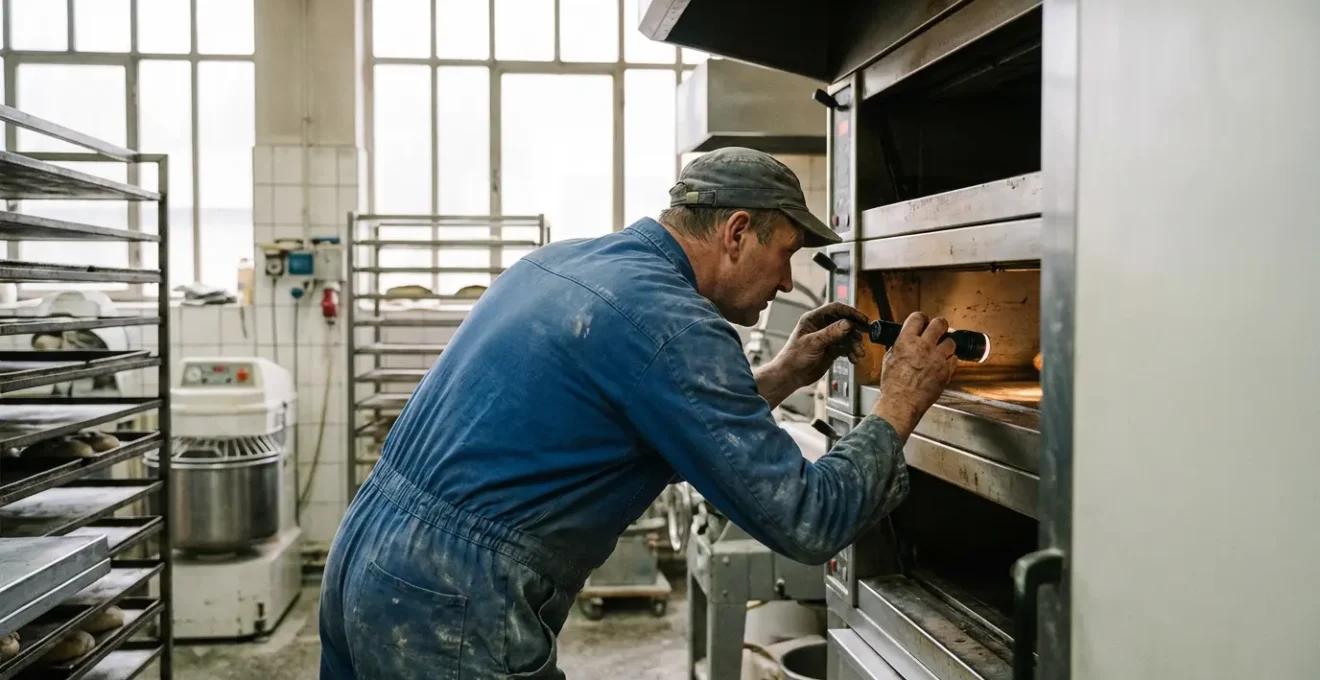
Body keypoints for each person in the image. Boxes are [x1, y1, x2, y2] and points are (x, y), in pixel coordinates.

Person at [319, 147, 960, 679]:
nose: (788, 283)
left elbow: (656, 415)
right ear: (737, 232)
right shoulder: (677, 325)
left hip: (365, 557)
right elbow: (806, 520)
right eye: (786, 254)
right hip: (452, 602)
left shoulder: (561, 261)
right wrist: (900, 400)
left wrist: (785, 371)